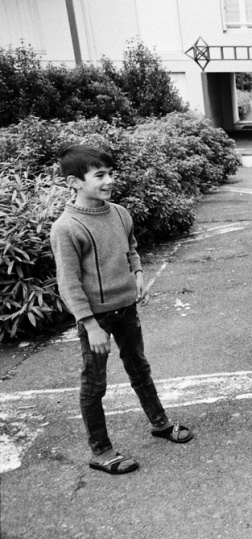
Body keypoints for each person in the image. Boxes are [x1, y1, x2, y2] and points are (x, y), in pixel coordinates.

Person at [50, 145, 194, 475]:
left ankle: (159, 423)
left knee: (139, 369)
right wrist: (90, 324)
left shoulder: (119, 213)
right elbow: (68, 282)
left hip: (126, 309)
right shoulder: (67, 227)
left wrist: (139, 276)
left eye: (110, 173)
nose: (109, 180)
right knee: (94, 384)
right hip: (96, 319)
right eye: (99, 175)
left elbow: (131, 249)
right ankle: (100, 451)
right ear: (74, 182)